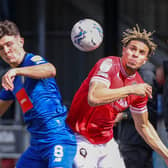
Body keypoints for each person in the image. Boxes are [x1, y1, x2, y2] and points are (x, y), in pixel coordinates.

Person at [66, 25, 168, 167]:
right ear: (124, 50)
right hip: (80, 137)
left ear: (144, 60)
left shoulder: (138, 86)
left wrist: (165, 154)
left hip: (106, 142)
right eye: (132, 49)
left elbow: (143, 125)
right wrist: (130, 89)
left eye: (141, 52)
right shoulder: (108, 65)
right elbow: (94, 97)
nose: (135, 54)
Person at [0, 20, 76, 168]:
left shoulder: (33, 61)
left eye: (9, 44)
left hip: (58, 138)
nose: (6, 51)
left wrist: (17, 70)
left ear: (21, 41)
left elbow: (50, 70)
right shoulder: (12, 81)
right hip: (36, 146)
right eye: (1, 48)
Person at [116, 61, 158, 168]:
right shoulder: (132, 74)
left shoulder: (145, 75)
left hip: (135, 141)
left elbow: (148, 109)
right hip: (133, 141)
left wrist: (123, 115)